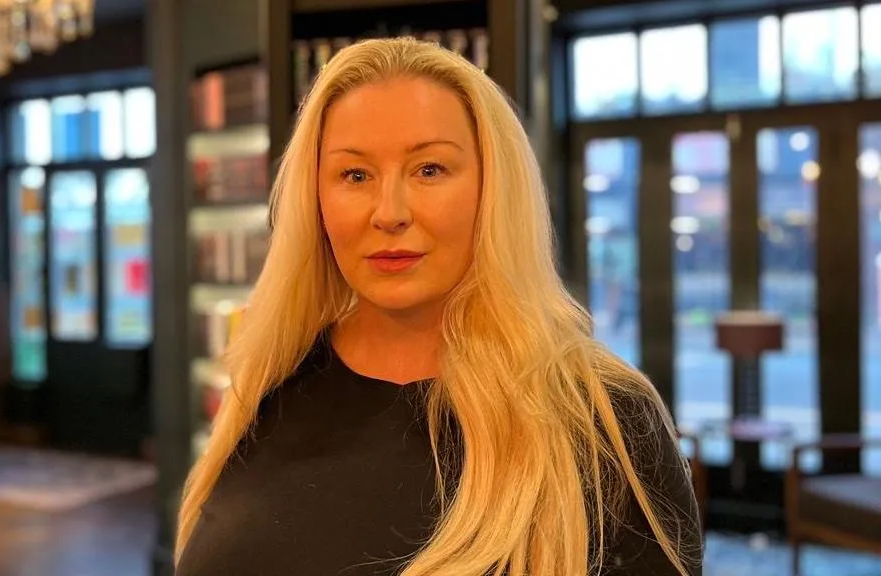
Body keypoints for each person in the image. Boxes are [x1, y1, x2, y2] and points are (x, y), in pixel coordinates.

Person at [175, 37, 703, 576]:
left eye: (429, 170)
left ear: (492, 188)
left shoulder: (603, 421)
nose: (389, 213)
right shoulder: (268, 383)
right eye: (355, 175)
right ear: (315, 199)